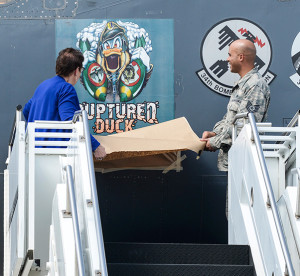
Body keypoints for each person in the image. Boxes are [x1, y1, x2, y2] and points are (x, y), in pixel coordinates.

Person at [23, 47, 106, 160]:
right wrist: (96, 146)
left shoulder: (43, 86)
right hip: (54, 157)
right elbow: (70, 121)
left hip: (32, 153)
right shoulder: (66, 89)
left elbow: (26, 110)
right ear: (76, 71)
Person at [201, 39, 270, 171]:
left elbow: (244, 127)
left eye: (230, 55)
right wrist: (214, 133)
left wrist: (214, 143)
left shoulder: (255, 85)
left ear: (241, 57)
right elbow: (232, 119)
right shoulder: (244, 84)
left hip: (246, 164)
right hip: (238, 161)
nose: (227, 59)